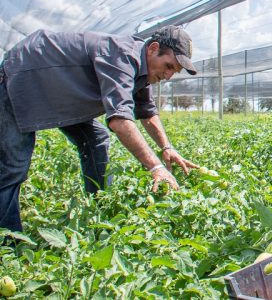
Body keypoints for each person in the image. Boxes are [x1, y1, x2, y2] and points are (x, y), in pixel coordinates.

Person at [0, 26, 200, 233]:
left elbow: (147, 111)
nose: (167, 76)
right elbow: (119, 121)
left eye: (173, 72)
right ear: (153, 48)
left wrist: (166, 147)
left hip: (63, 94)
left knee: (96, 138)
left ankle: (99, 210)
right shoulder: (123, 56)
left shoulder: (142, 70)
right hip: (24, 75)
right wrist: (155, 167)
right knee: (12, 166)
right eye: (168, 66)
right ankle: (8, 240)